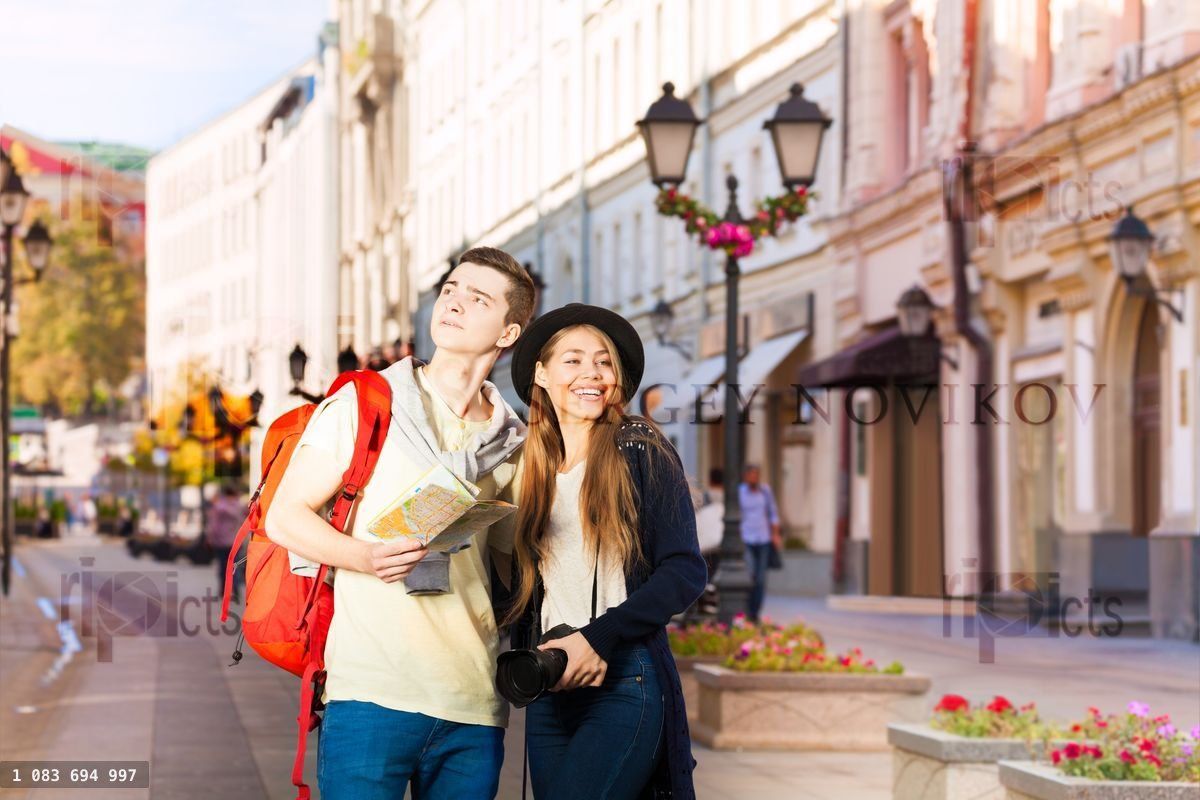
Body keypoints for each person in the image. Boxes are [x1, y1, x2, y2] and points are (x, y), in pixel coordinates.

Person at [266, 247, 535, 800]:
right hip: (371, 692)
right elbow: (285, 517)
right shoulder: (368, 404)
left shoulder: (511, 441)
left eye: (478, 299)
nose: (453, 303)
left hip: (471, 700)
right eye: (451, 290)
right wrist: (364, 557)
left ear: (508, 333)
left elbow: (515, 567)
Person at [506, 304, 707, 800]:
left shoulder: (638, 447)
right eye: (573, 360)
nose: (592, 373)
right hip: (550, 681)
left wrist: (600, 637)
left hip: (623, 677)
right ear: (542, 374)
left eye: (603, 361)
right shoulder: (531, 466)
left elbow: (684, 570)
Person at [740, 463, 782, 623]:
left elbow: (773, 514)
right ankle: (746, 609)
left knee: (761, 579)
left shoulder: (765, 491)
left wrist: (775, 535)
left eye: (756, 474)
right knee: (749, 575)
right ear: (746, 476)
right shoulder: (740, 492)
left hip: (764, 539)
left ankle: (754, 613)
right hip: (746, 539)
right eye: (751, 474)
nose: (754, 477)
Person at [207, 482, 245, 602]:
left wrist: (210, 537)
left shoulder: (219, 506)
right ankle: (236, 591)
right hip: (235, 541)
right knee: (235, 566)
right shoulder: (239, 506)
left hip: (220, 542)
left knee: (223, 566)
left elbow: (213, 525)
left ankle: (223, 591)